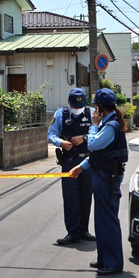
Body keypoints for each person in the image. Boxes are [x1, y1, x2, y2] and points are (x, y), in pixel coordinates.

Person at [69, 87, 128, 276]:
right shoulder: (107, 123)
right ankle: (104, 259)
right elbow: (98, 154)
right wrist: (81, 167)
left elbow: (93, 145)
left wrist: (93, 125)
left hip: (107, 178)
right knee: (101, 220)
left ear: (101, 107)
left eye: (96, 106)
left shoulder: (109, 126)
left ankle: (113, 263)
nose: (94, 110)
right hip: (102, 175)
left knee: (108, 220)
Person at [47, 87, 96, 245]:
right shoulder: (61, 114)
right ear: (69, 102)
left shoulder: (91, 113)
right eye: (75, 106)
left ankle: (83, 230)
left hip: (87, 162)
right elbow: (51, 134)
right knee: (70, 197)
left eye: (80, 107)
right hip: (69, 161)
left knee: (86, 196)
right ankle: (72, 232)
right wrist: (61, 142)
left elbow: (98, 133)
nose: (77, 110)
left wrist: (84, 138)